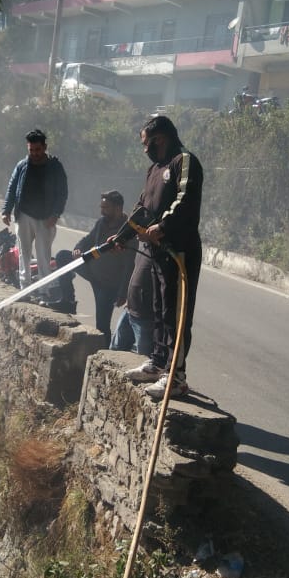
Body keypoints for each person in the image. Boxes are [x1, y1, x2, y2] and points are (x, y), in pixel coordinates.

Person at [123, 114, 203, 399]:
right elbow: (142, 208)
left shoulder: (184, 161)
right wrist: (122, 235)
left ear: (161, 139)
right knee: (159, 309)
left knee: (177, 312)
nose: (145, 149)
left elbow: (185, 199)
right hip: (157, 251)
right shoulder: (154, 169)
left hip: (179, 251)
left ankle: (176, 376)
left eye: (147, 143)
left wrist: (163, 226)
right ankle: (158, 362)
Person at [47, 190, 135, 334]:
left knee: (102, 326)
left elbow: (129, 265)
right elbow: (87, 240)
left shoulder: (128, 231)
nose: (102, 211)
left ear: (118, 208)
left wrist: (123, 293)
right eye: (101, 207)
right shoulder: (101, 223)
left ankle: (104, 347)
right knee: (63, 256)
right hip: (91, 270)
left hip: (108, 286)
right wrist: (78, 249)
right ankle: (68, 300)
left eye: (105, 208)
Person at [1, 129, 68, 295]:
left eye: (38, 150)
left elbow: (62, 193)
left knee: (43, 254)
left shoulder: (55, 167)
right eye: (31, 150)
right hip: (24, 214)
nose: (35, 153)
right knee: (24, 252)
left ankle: (45, 290)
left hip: (46, 217)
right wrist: (6, 210)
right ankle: (25, 288)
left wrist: (55, 214)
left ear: (44, 147)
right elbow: (12, 188)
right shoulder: (22, 166)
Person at [109, 250, 153, 356]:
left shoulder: (160, 250)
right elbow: (135, 271)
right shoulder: (142, 246)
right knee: (115, 350)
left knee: (143, 357)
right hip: (129, 308)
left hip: (146, 316)